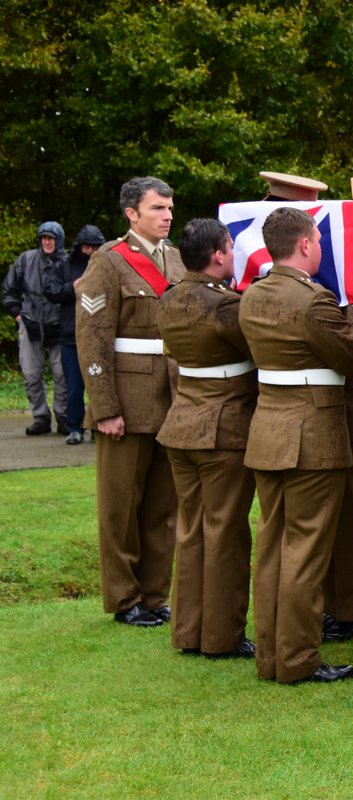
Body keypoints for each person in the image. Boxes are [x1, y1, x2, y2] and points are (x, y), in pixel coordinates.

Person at [239, 206, 353, 684]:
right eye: (317, 240)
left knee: (273, 547)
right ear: (304, 245)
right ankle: (297, 658)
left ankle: (272, 655)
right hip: (311, 435)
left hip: (269, 430)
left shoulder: (253, 296)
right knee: (305, 551)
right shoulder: (313, 301)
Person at [76, 177, 184, 626]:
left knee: (163, 508)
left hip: (171, 397)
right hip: (126, 400)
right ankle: (124, 600)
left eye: (170, 208)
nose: (167, 216)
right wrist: (105, 408)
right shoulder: (107, 261)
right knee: (120, 508)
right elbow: (92, 338)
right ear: (131, 213)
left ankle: (155, 596)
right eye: (157, 208)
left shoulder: (176, 258)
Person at [155, 218, 257, 659]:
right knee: (225, 534)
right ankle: (221, 636)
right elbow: (259, 349)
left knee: (191, 531)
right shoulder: (225, 306)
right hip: (222, 430)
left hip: (182, 424)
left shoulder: (169, 297)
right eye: (230, 247)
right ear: (218, 255)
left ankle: (188, 630)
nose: (234, 254)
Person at [3, 221, 69, 435]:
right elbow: (9, 291)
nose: (47, 242)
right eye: (44, 238)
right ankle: (40, 417)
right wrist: (18, 315)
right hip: (31, 323)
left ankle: (63, 416)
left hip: (59, 326)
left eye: (51, 238)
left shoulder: (68, 262)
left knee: (63, 374)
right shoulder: (26, 259)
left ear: (59, 240)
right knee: (31, 373)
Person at [321, 371, 353, 644]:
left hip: (347, 416)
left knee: (349, 519)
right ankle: (326, 606)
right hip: (310, 415)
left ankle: (349, 612)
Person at [44, 225, 105, 444]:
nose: (91, 251)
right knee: (74, 387)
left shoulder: (106, 264)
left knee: (99, 384)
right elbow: (50, 291)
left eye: (95, 247)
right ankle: (75, 428)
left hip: (99, 337)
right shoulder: (64, 265)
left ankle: (98, 427)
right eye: (87, 246)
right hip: (71, 336)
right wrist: (73, 287)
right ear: (79, 245)